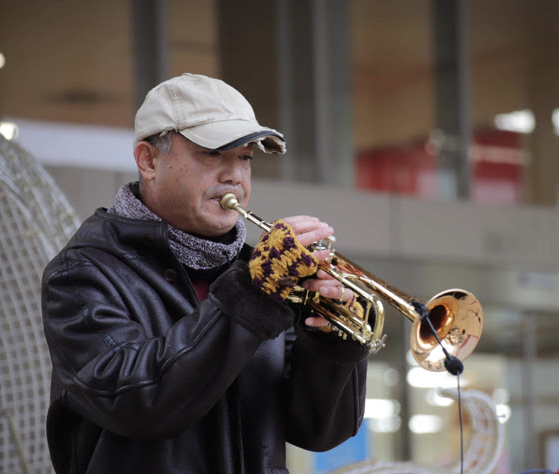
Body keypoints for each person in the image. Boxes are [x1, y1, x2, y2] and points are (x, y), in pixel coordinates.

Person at [41, 73, 369, 473]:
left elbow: (318, 433)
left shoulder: (258, 274)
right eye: (213, 154)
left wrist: (330, 344)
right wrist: (252, 293)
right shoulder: (81, 272)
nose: (235, 175)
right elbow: (138, 404)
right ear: (148, 160)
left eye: (246, 157)